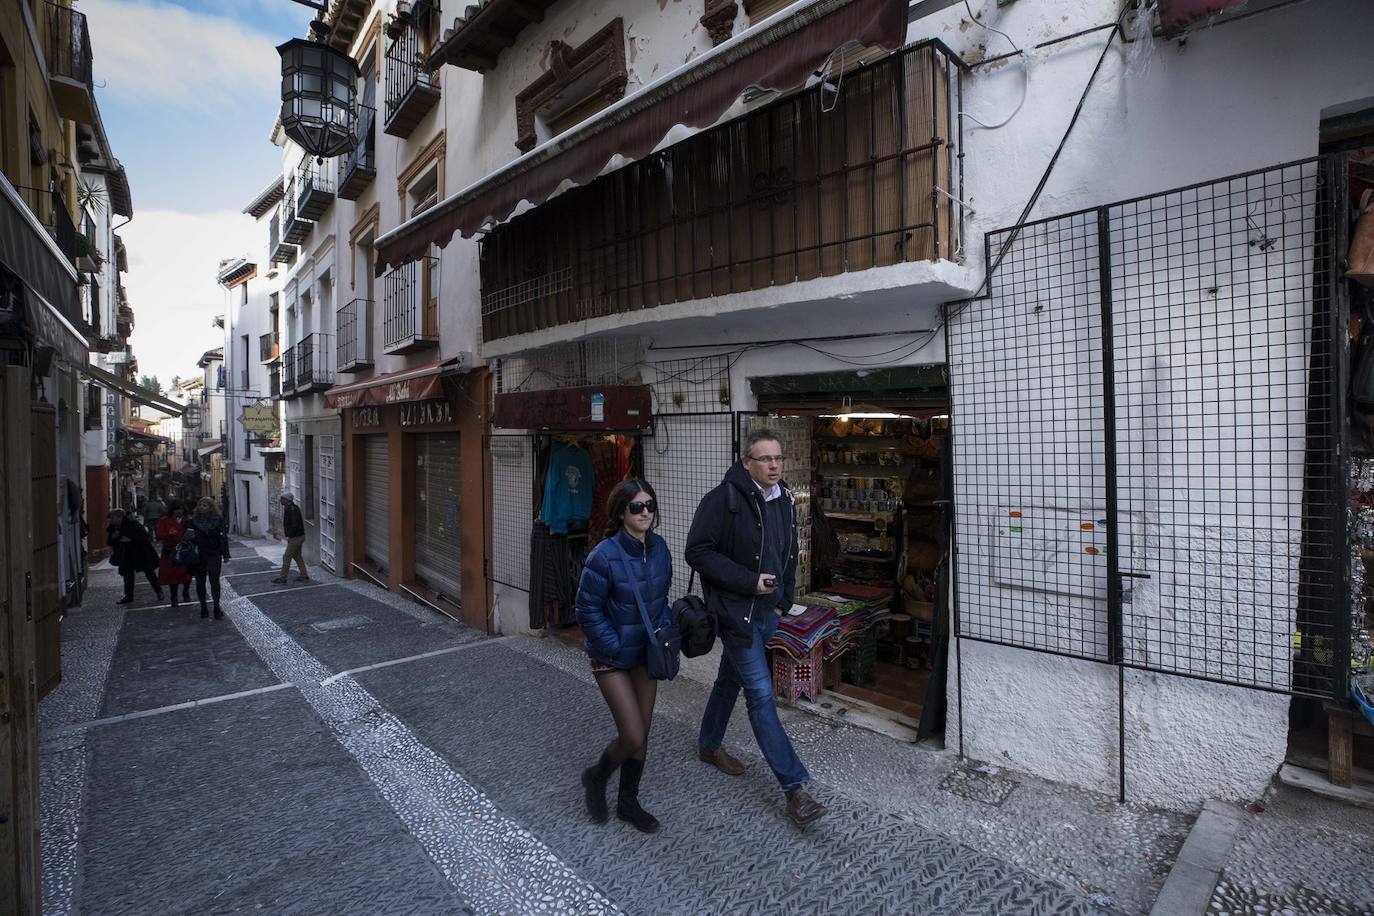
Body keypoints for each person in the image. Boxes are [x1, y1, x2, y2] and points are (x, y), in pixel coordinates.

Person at [685, 427, 827, 826]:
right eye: (766, 459)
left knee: (729, 681)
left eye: (778, 458)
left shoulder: (782, 500)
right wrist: (748, 582)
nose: (775, 465)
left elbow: (788, 552)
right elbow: (696, 551)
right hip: (735, 614)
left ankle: (709, 745)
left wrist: (783, 601)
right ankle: (794, 789)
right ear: (747, 462)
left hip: (767, 614)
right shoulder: (722, 499)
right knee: (761, 695)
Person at [575, 479, 673, 834]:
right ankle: (597, 777)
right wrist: (612, 645)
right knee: (631, 736)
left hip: (645, 654)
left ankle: (628, 802)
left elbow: (660, 600)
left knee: (643, 732)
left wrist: (664, 629)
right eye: (636, 507)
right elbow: (586, 609)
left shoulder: (660, 548)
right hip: (612, 657)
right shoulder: (603, 555)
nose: (645, 512)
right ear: (620, 513)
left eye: (650, 505)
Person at [186, 497, 230, 619]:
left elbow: (223, 538)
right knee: (200, 582)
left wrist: (225, 554)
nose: (201, 507)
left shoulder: (218, 520)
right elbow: (187, 538)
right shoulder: (193, 521)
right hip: (199, 554)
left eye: (205, 505)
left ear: (211, 507)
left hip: (214, 553)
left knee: (214, 580)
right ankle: (203, 607)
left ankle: (216, 607)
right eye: (200, 505)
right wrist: (190, 537)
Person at [107, 508, 161, 605]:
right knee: (127, 575)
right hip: (126, 554)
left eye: (112, 518)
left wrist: (131, 539)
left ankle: (158, 591)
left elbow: (144, 536)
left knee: (149, 573)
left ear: (119, 517)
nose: (110, 520)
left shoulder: (132, 524)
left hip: (141, 552)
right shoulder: (113, 528)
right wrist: (113, 538)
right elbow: (110, 542)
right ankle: (128, 596)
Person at [155, 500, 193, 607]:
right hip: (171, 551)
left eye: (180, 509)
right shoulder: (165, 520)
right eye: (176, 509)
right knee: (172, 575)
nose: (179, 511)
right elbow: (159, 535)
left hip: (185, 551)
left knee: (186, 573)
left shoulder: (188, 520)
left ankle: (186, 592)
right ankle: (174, 597)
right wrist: (168, 534)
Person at [271, 493, 309, 584]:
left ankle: (283, 577)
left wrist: (290, 536)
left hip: (296, 537)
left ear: (288, 500)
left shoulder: (292, 509)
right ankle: (304, 575)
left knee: (286, 556)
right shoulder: (290, 508)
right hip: (298, 536)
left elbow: (294, 525)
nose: (281, 500)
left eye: (282, 499)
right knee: (297, 556)